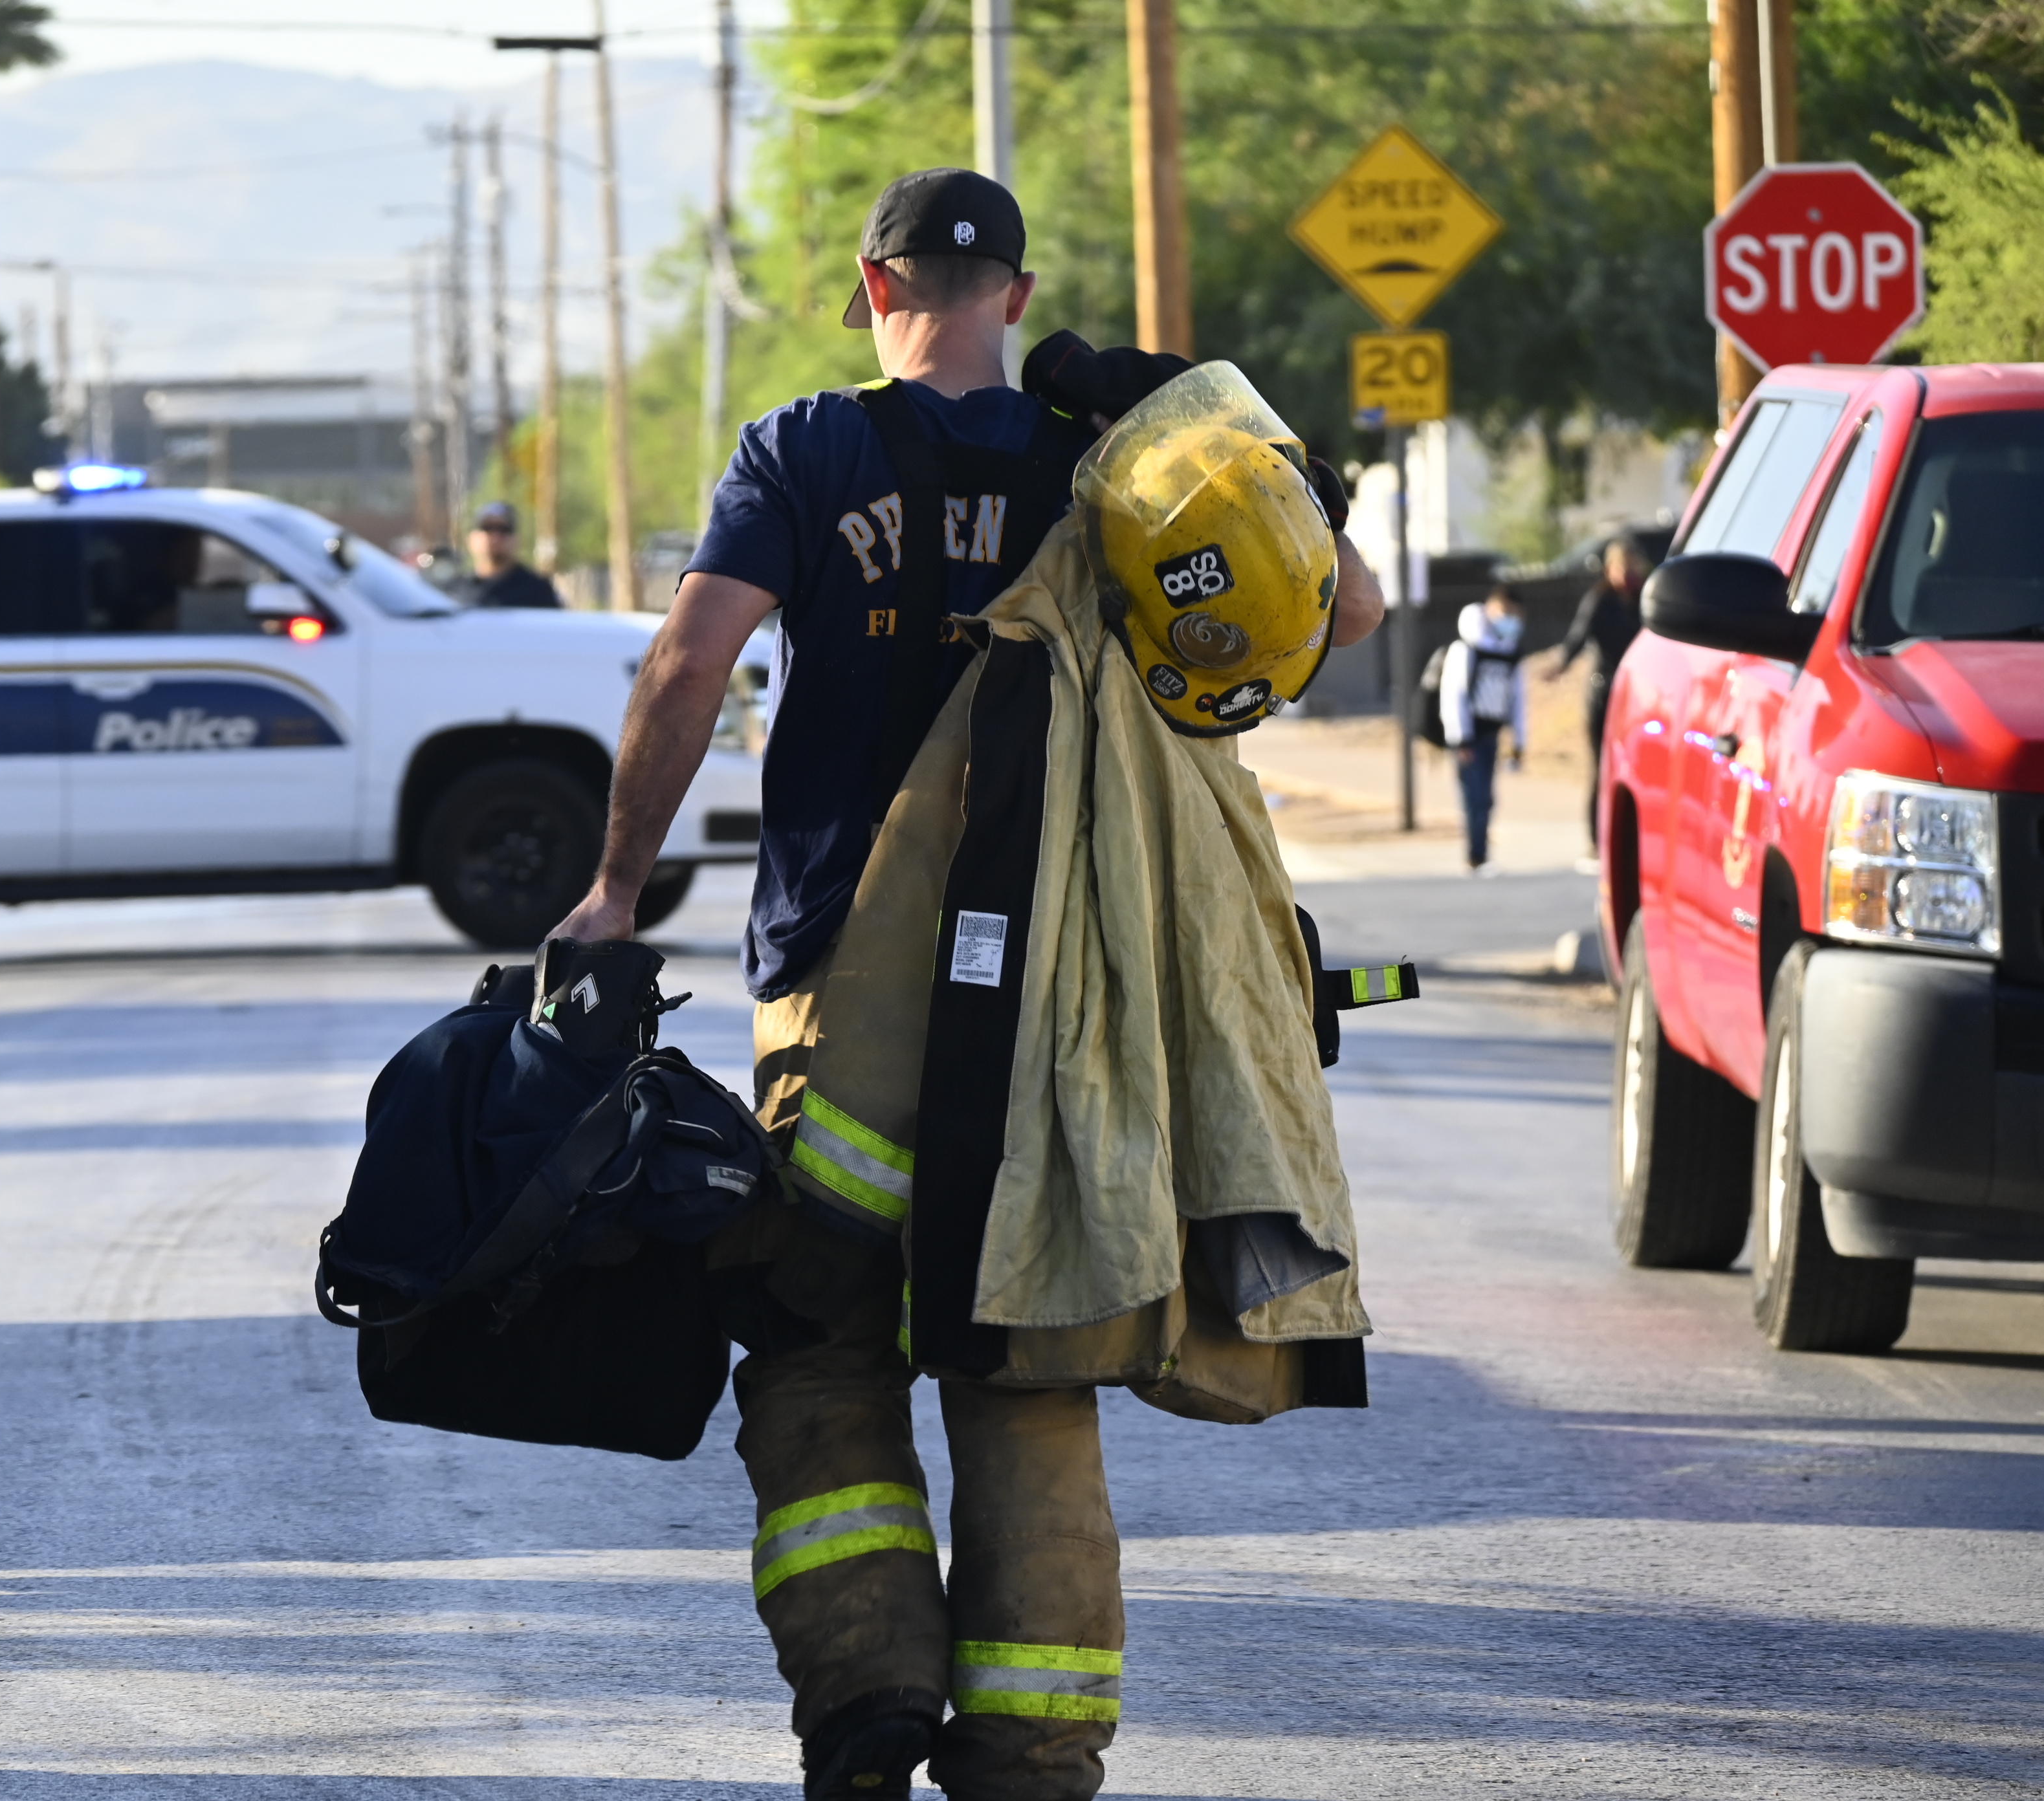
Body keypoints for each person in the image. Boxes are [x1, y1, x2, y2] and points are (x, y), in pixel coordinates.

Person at [549, 168, 1385, 1801]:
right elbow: (1341, 608)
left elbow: (691, 660)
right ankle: (1031, 1745)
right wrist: (1215, 420)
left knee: (815, 1333)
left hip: (832, 990)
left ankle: (868, 1684)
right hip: (1058, 1003)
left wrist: (613, 890)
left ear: (875, 289)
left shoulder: (803, 451)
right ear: (1014, 294)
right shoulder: (1123, 463)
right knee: (1027, 1353)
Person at [1550, 533, 1649, 861]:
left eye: (1634, 566)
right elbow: (1578, 638)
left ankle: (1631, 840)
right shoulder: (1599, 601)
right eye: (1623, 567)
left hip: (1637, 695)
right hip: (1604, 692)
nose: (1629, 573)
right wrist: (1561, 665)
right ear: (1610, 569)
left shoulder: (1646, 601)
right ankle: (1596, 839)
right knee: (1602, 767)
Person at [1441, 586, 1526, 873]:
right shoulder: (1466, 649)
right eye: (1506, 613)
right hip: (1469, 738)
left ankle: (1481, 855)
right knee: (1474, 798)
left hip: (1492, 735)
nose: (1511, 620)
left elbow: (1518, 700)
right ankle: (1474, 856)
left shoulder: (1510, 653)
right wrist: (1461, 739)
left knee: (1487, 799)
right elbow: (1454, 696)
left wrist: (1519, 741)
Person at [462, 500, 562, 609]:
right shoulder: (456, 592)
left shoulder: (538, 590)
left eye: (504, 529)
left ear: (517, 539)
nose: (496, 537)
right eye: (488, 528)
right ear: (471, 539)